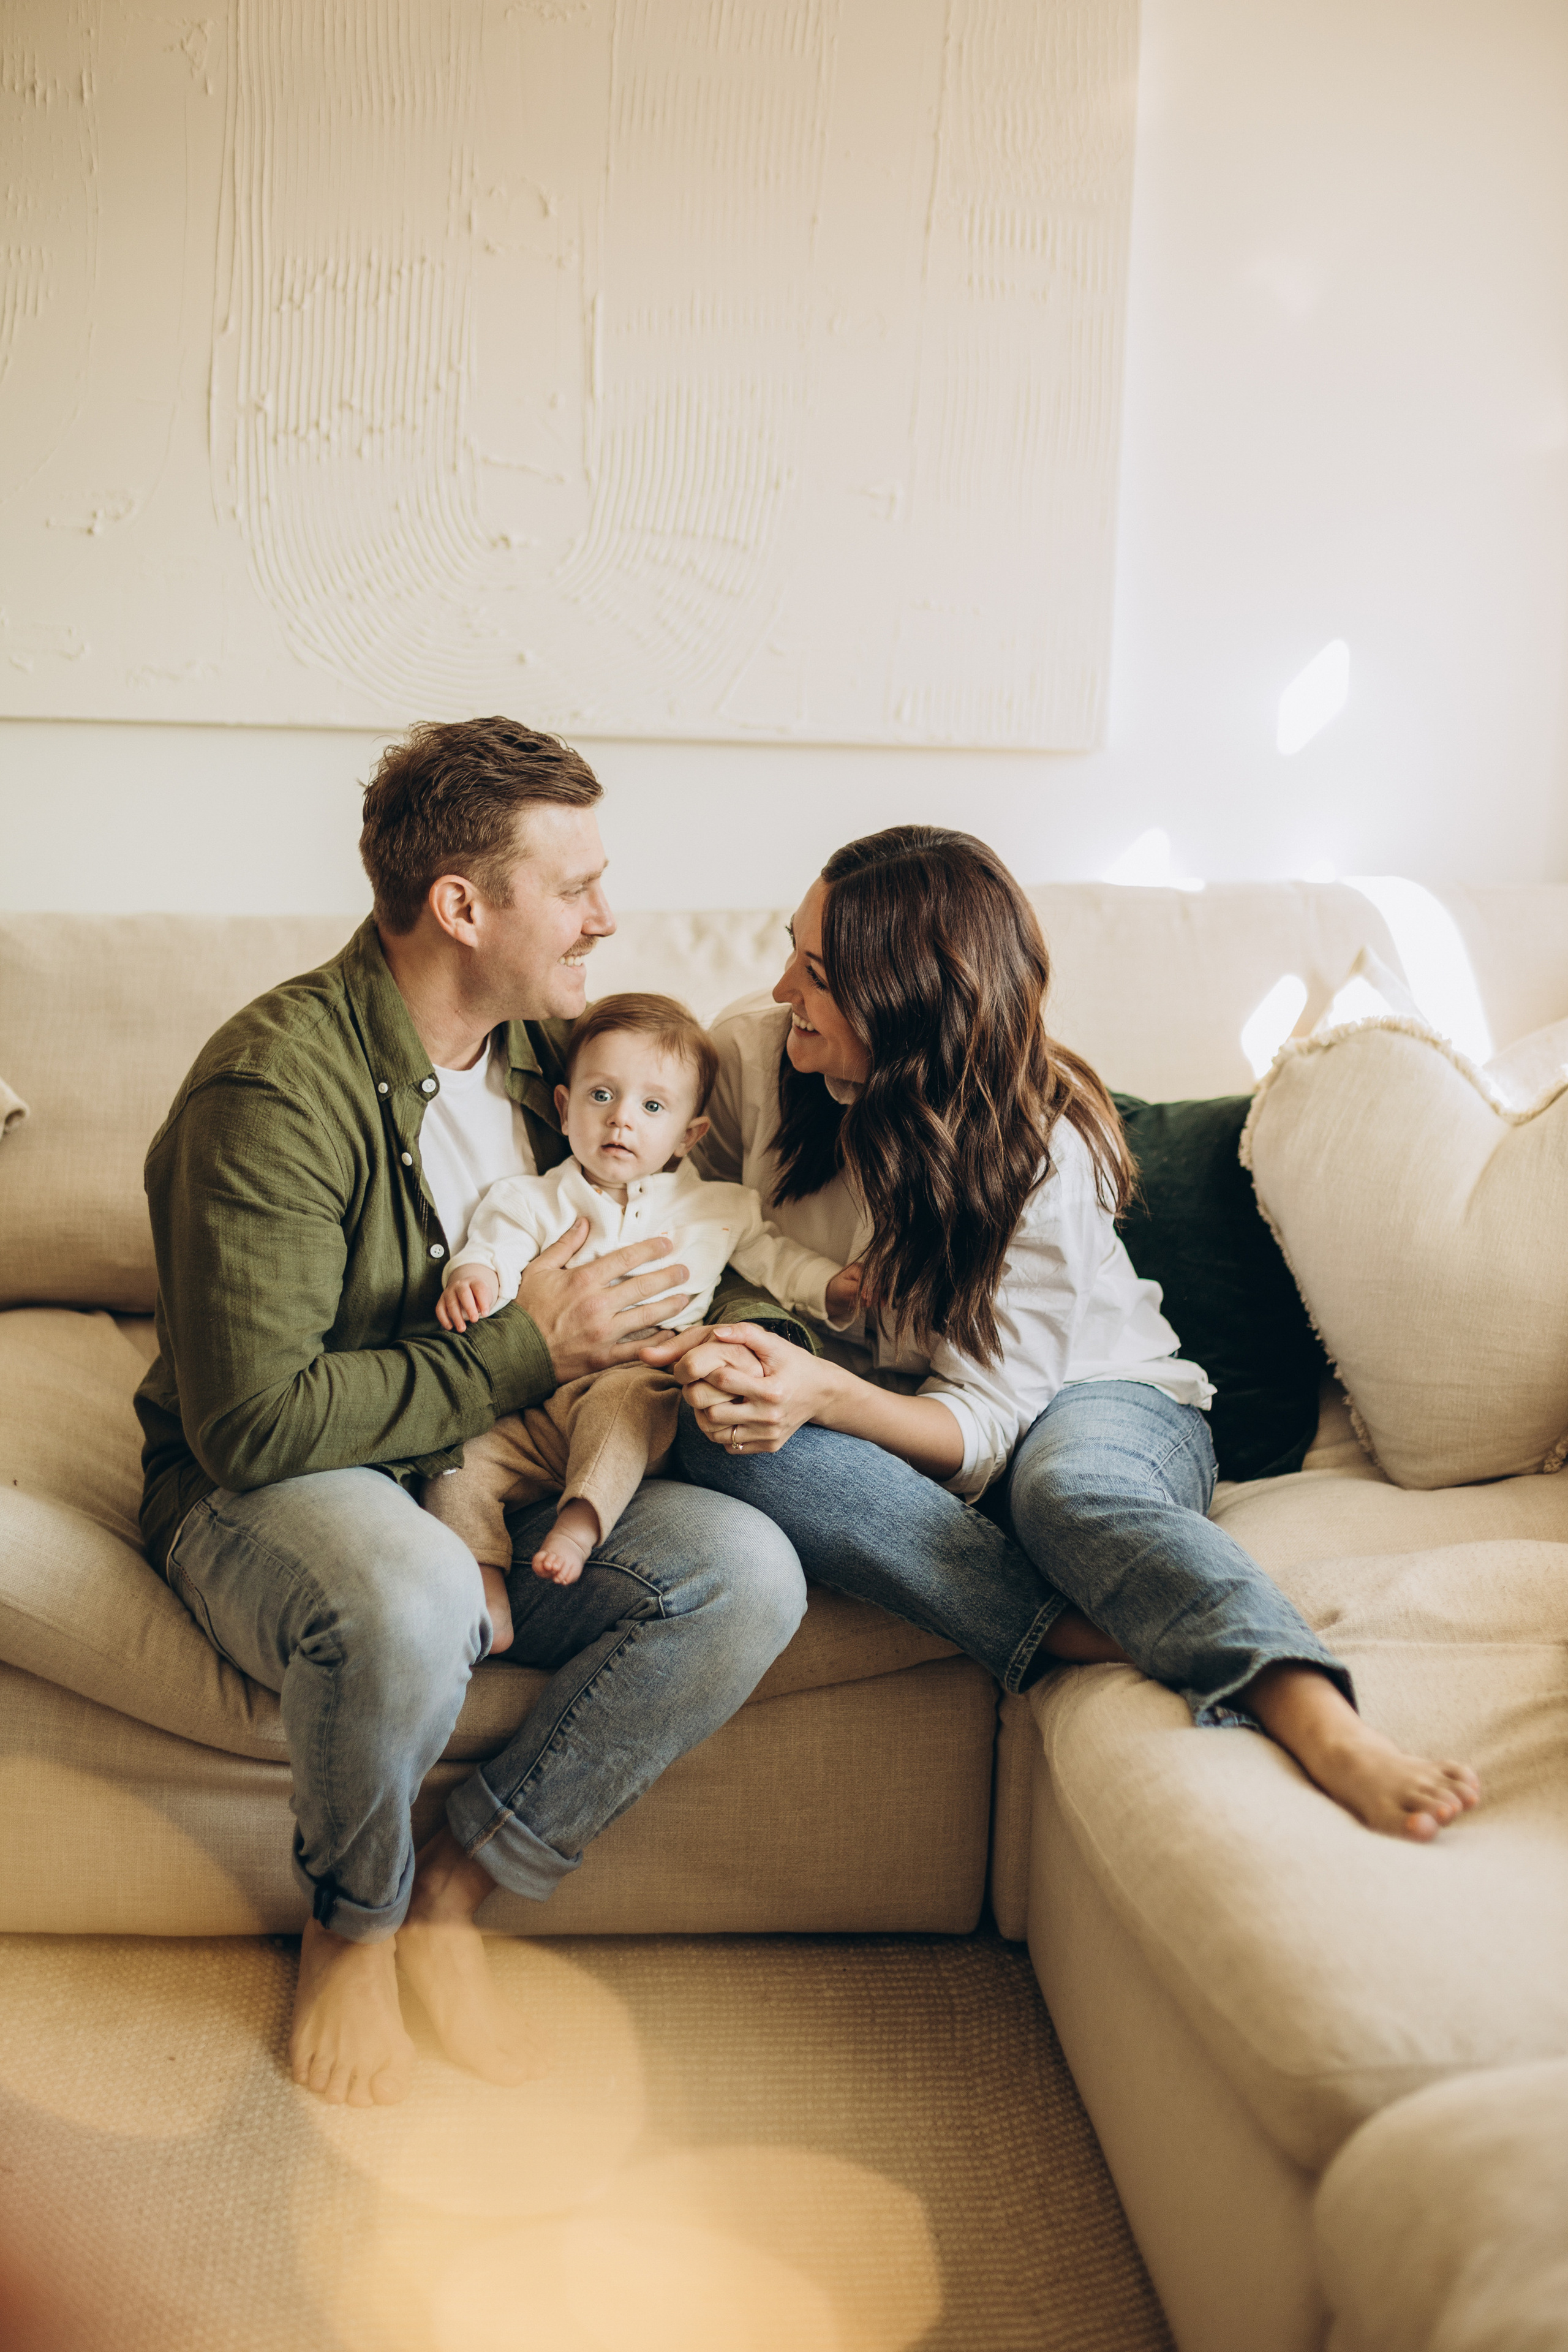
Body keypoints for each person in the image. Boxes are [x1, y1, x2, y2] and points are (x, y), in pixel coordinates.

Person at [136, 718, 810, 2109]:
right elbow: (252, 1424)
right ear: (461, 904)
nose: (607, 917)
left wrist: (746, 1345)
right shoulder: (274, 1087)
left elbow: (699, 1197)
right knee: (408, 1592)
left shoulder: (544, 1060)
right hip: (275, 1482)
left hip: (500, 1467)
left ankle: (459, 1879)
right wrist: (525, 1344)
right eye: (575, 889)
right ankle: (353, 1923)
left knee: (744, 1575)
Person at [652, 826, 1482, 1843]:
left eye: (818, 975)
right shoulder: (752, 1055)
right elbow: (687, 1211)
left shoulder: (1043, 1151)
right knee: (713, 1431)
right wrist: (750, 1338)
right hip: (889, 1424)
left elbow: (989, 1424)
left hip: (1096, 1401)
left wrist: (826, 1395)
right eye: (794, 947)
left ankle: (1309, 1708)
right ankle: (1056, 1627)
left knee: (1064, 1491)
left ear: (908, 1008)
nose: (784, 988)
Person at [423, 989, 858, 1618]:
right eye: (601, 1096)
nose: (621, 1118)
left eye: (651, 1106)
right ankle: (484, 1586)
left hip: (640, 1386)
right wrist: (472, 1278)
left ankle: (579, 1525)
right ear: (565, 1110)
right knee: (456, 1460)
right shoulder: (530, 1201)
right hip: (536, 1405)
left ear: (689, 1135)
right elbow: (494, 1249)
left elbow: (773, 1262)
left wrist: (828, 1286)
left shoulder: (718, 1208)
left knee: (620, 1406)